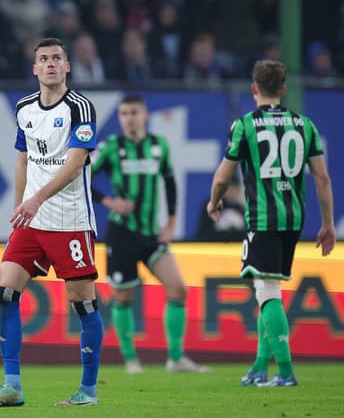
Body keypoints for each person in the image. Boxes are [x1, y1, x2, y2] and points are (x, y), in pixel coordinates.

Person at [0, 38, 102, 407]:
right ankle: (12, 386)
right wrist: (20, 209)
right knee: (6, 291)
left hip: (71, 219)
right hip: (32, 221)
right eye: (43, 59)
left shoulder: (80, 107)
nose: (50, 64)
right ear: (34, 69)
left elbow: (75, 162)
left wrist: (34, 199)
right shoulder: (24, 108)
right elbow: (22, 160)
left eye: (56, 59)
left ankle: (89, 392)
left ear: (67, 67)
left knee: (82, 302)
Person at [207, 60, 336, 387]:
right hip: (294, 218)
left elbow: (224, 175)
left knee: (267, 292)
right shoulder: (304, 124)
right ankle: (260, 367)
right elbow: (321, 176)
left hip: (262, 219)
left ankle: (287, 372)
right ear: (283, 88)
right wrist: (328, 223)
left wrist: (214, 200)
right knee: (269, 288)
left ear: (254, 88)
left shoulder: (245, 125)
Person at [91, 94, 211, 375]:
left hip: (150, 233)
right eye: (123, 113)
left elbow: (169, 182)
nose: (129, 117)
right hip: (121, 232)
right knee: (122, 297)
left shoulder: (159, 145)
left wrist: (170, 223)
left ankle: (176, 358)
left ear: (144, 115)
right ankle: (131, 359)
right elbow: (81, 175)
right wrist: (109, 202)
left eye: (133, 112)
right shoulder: (111, 147)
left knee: (178, 288)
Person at [195, 174, 245, 242]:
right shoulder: (213, 207)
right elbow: (202, 234)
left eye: (236, 190)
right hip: (213, 248)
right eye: (231, 190)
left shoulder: (241, 210)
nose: (233, 193)